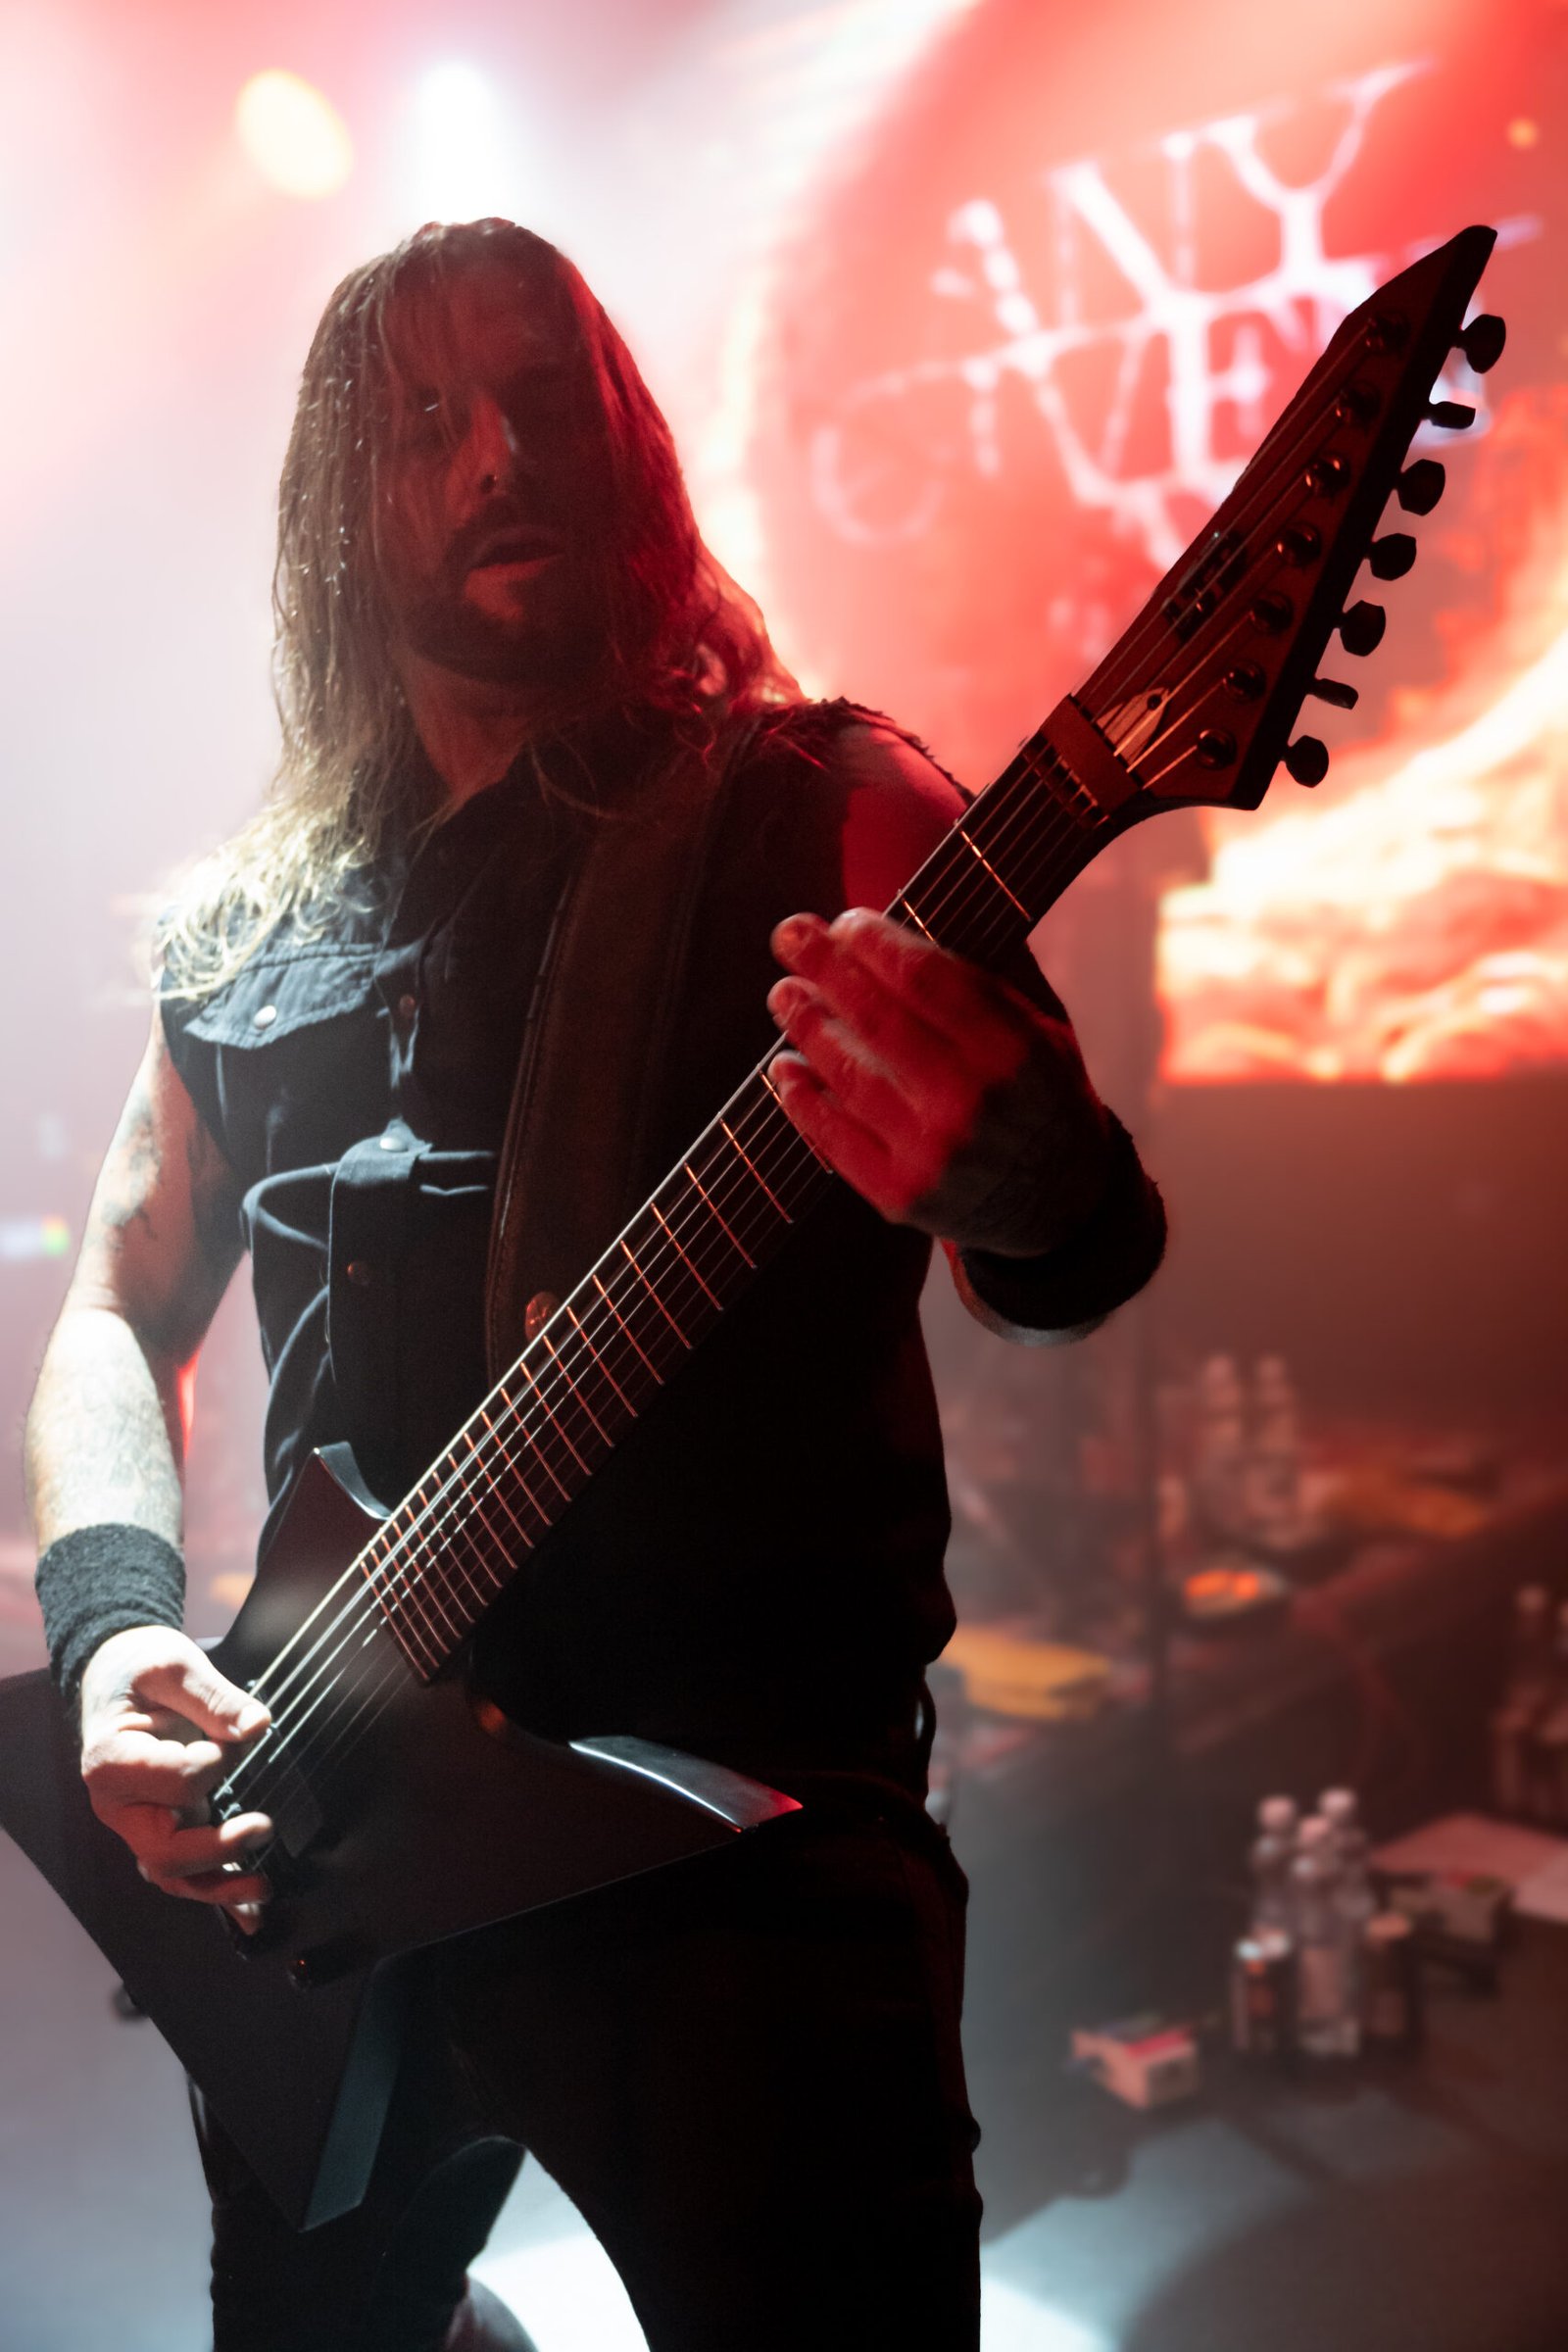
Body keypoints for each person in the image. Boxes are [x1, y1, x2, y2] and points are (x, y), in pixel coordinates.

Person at [24, 220, 1165, 2352]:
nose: (495, 455)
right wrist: (105, 1632)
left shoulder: (829, 808)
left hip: (737, 1864)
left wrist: (1037, 1181)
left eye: (542, 399)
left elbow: (1066, 1246)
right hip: (330, 1845)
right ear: (336, 506)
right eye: (424, 420)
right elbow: (116, 1302)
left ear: (626, 444)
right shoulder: (251, 925)